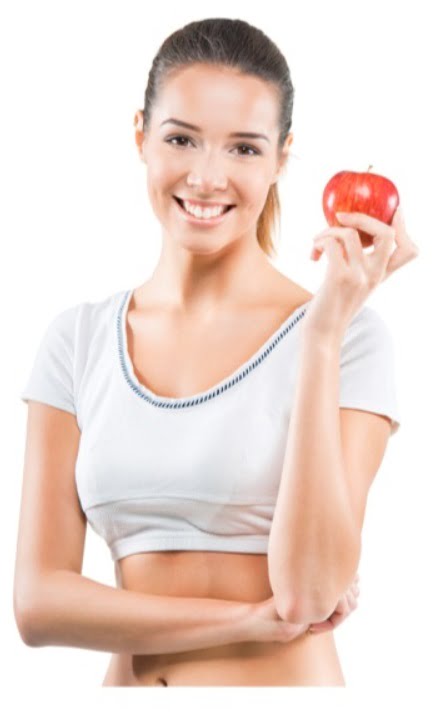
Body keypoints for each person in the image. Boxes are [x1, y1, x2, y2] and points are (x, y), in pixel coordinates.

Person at [14, 17, 418, 686]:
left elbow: (309, 593)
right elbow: (38, 605)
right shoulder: (77, 340)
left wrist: (320, 334)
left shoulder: (351, 341)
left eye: (244, 149)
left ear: (282, 157)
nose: (207, 177)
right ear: (141, 135)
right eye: (181, 139)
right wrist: (243, 622)